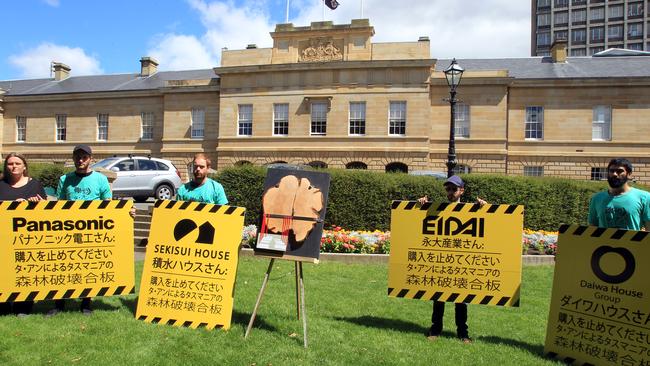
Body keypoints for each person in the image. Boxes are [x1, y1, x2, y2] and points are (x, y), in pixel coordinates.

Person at [418, 175, 487, 344]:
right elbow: (419, 220)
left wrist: (484, 207)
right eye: (448, 189)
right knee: (438, 298)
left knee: (461, 300)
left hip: (461, 263)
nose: (450, 192)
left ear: (461, 190)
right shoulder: (436, 208)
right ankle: (435, 329)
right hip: (442, 261)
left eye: (453, 189)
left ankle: (463, 333)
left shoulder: (472, 209)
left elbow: (490, 223)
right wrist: (421, 205)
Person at [50, 144, 112, 316]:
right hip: (68, 231)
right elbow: (59, 205)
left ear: (90, 159)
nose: (80, 160)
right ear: (73, 158)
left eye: (84, 157)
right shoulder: (65, 179)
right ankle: (59, 304)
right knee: (63, 266)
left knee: (88, 266)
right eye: (77, 157)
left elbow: (109, 206)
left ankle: (86, 303)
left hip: (92, 231)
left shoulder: (100, 179)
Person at [0, 153, 46, 316]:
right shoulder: (0, 184)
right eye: (10, 163)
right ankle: (3, 306)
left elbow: (46, 211)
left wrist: (35, 203)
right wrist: (11, 205)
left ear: (24, 166)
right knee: (3, 271)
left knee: (25, 271)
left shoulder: (35, 185)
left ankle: (24, 306)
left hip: (28, 238)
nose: (14, 166)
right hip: (3, 237)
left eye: (17, 163)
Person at [588, 158, 650, 231]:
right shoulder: (597, 198)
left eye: (619, 171)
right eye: (611, 171)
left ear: (629, 174)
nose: (614, 174)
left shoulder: (644, 197)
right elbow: (592, 227)